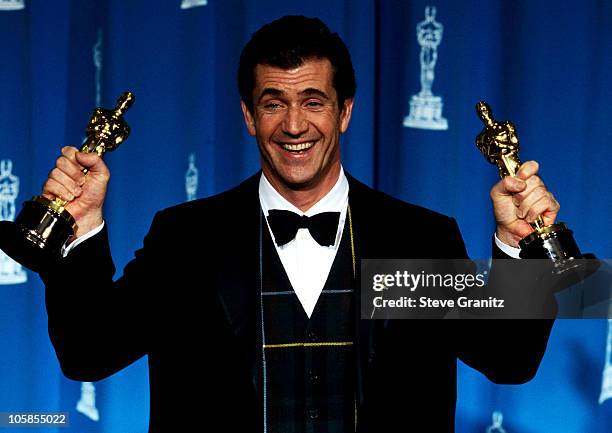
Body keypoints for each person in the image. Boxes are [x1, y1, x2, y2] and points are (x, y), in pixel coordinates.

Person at [39, 16, 559, 433]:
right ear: (248, 116)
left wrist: (520, 248)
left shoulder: (415, 237)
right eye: (274, 103)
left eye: (313, 101)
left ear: (345, 112)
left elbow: (510, 360)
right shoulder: (188, 239)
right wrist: (79, 227)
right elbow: (88, 352)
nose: (293, 125)